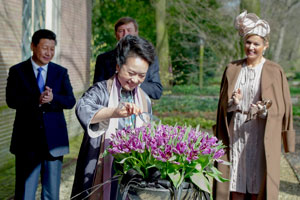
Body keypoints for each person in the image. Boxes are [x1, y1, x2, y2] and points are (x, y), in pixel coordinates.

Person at [213, 11, 295, 200]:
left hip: (261, 133)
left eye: (256, 43)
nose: (251, 47)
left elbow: (284, 108)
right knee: (234, 182)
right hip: (236, 133)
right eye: (248, 42)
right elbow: (221, 107)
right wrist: (234, 103)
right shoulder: (232, 69)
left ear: (265, 46)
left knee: (258, 184)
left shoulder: (275, 71)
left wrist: (264, 111)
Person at [71, 35, 155, 200]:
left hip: (132, 172)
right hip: (100, 166)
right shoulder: (100, 91)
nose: (135, 80)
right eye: (131, 73)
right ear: (118, 66)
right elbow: (82, 109)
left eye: (141, 75)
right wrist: (114, 112)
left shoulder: (144, 99)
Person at [6, 29, 76, 199]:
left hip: (54, 141)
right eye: (45, 48)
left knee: (52, 193)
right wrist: (36, 99)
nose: (49, 53)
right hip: (26, 141)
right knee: (25, 193)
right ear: (33, 46)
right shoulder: (17, 71)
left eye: (52, 49)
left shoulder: (61, 72)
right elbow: (11, 100)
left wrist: (53, 98)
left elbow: (70, 100)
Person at [93, 16, 163, 99]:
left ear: (136, 33)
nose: (125, 34)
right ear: (116, 34)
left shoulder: (149, 58)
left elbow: (156, 91)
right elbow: (97, 90)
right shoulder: (103, 59)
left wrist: (136, 82)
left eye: (129, 30)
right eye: (121, 31)